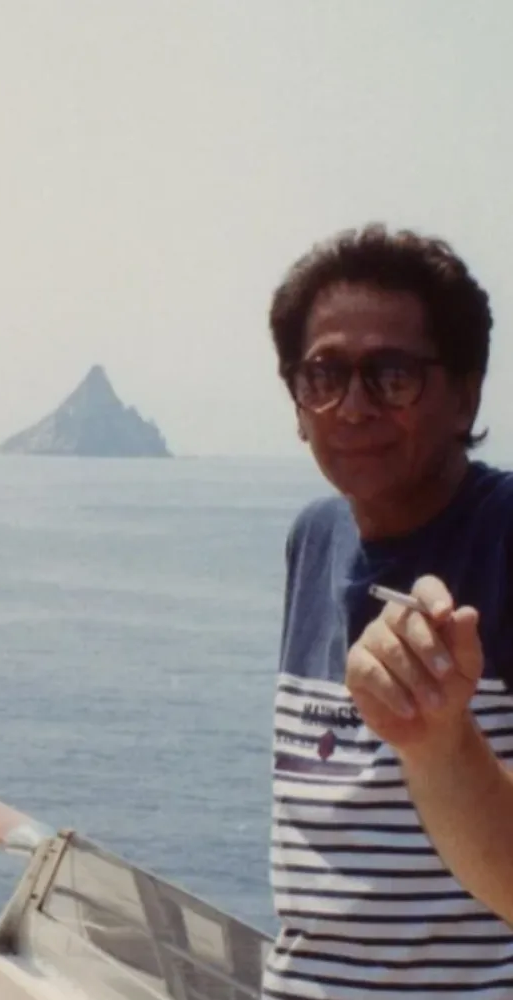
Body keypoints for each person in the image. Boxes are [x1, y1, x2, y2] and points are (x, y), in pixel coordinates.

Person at [264, 223, 513, 998]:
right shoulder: (316, 536)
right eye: (323, 375)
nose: (353, 405)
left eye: (393, 375)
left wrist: (440, 743)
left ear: (465, 391)